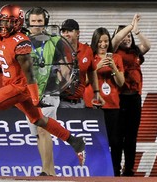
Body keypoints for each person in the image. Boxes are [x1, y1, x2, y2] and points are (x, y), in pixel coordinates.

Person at [0, 4, 86, 169]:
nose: (3, 25)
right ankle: (75, 141)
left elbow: (29, 74)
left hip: (19, 87)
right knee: (39, 119)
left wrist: (35, 98)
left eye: (8, 22)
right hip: (10, 84)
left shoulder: (21, 43)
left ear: (18, 23)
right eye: (2, 20)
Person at [24, 7, 70, 176]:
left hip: (50, 92)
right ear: (28, 22)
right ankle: (50, 171)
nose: (36, 25)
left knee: (43, 129)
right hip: (29, 93)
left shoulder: (55, 41)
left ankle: (47, 172)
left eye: (39, 21)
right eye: (33, 21)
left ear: (45, 22)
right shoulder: (22, 42)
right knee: (38, 133)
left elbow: (65, 64)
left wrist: (64, 75)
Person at [112, 14, 151, 176]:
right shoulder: (114, 51)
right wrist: (129, 26)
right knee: (117, 137)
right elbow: (116, 39)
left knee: (131, 137)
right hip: (119, 99)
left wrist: (136, 31)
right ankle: (115, 168)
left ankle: (129, 169)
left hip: (134, 98)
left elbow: (147, 45)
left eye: (129, 36)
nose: (126, 39)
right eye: (124, 36)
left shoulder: (135, 52)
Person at [84, 27, 125, 176]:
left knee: (115, 141)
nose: (103, 44)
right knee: (95, 142)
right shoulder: (89, 57)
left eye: (106, 41)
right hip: (92, 105)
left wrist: (113, 66)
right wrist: (96, 68)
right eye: (100, 41)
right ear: (95, 42)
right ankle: (95, 171)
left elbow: (121, 82)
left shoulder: (117, 58)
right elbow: (84, 81)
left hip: (112, 105)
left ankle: (115, 171)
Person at [59, 19, 104, 109]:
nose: (66, 34)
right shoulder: (56, 51)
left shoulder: (87, 50)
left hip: (79, 102)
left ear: (78, 33)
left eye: (70, 31)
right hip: (60, 102)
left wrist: (96, 92)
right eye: (63, 31)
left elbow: (92, 71)